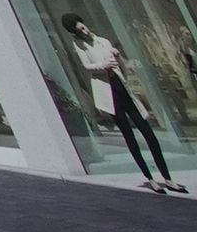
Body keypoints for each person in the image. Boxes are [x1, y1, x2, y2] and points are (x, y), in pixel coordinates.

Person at [65, 16, 182, 191]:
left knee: (148, 132)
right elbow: (87, 66)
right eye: (80, 30)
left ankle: (167, 178)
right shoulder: (79, 45)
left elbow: (121, 66)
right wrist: (103, 64)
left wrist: (117, 57)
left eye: (84, 27)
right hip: (109, 93)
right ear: (75, 33)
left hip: (122, 87)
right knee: (129, 135)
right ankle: (150, 178)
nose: (85, 31)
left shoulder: (102, 41)